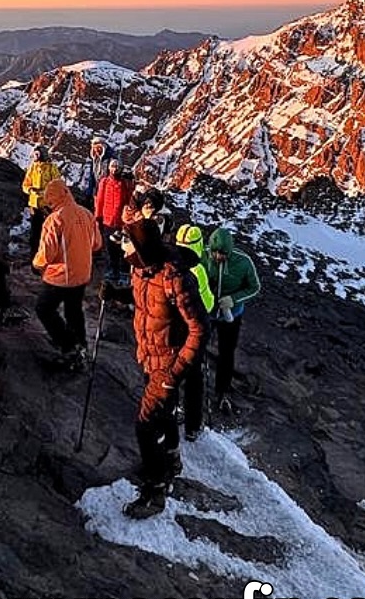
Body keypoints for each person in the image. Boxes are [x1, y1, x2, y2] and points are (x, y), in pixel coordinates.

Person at [102, 218, 208, 519]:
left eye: (128, 245)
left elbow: (200, 329)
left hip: (169, 363)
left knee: (145, 426)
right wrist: (117, 294)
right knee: (163, 416)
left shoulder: (174, 278)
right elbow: (143, 301)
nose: (124, 251)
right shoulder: (141, 270)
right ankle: (172, 460)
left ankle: (155, 491)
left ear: (142, 249)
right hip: (150, 357)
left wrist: (175, 373)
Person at [32, 178, 101, 368]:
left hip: (60, 275)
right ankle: (81, 345)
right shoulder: (86, 214)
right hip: (82, 273)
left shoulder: (54, 220)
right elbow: (97, 244)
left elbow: (47, 253)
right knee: (74, 310)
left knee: (44, 309)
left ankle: (68, 346)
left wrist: (37, 264)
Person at [205, 226, 261, 415]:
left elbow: (254, 287)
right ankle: (194, 383)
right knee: (197, 346)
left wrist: (234, 299)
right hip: (208, 311)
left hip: (231, 314)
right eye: (216, 253)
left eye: (223, 254)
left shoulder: (243, 262)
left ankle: (222, 391)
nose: (219, 257)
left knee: (226, 353)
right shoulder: (204, 257)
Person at [173, 224, 217, 441]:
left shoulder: (168, 265)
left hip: (170, 330)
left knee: (169, 376)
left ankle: (170, 415)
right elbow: (208, 303)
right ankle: (192, 426)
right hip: (191, 332)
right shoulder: (197, 270)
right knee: (194, 380)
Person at [94, 159, 133, 279]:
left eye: (117, 167)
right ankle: (112, 270)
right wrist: (98, 217)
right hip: (107, 220)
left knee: (122, 247)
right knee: (110, 248)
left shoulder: (126, 183)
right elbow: (99, 200)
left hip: (121, 221)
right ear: (109, 168)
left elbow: (130, 200)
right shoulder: (104, 182)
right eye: (113, 167)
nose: (115, 169)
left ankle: (122, 272)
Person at [22, 145, 61, 258]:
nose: (35, 157)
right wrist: (30, 190)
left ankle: (48, 255)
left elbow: (57, 185)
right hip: (34, 206)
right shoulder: (32, 168)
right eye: (35, 154)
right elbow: (25, 184)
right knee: (35, 233)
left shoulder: (51, 168)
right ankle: (35, 257)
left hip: (47, 207)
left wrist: (45, 193)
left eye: (37, 154)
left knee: (48, 233)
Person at [84, 137, 112, 204]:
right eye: (94, 148)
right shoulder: (95, 160)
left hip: (107, 192)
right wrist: (89, 193)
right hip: (97, 191)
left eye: (98, 148)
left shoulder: (110, 159)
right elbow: (92, 178)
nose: (96, 150)